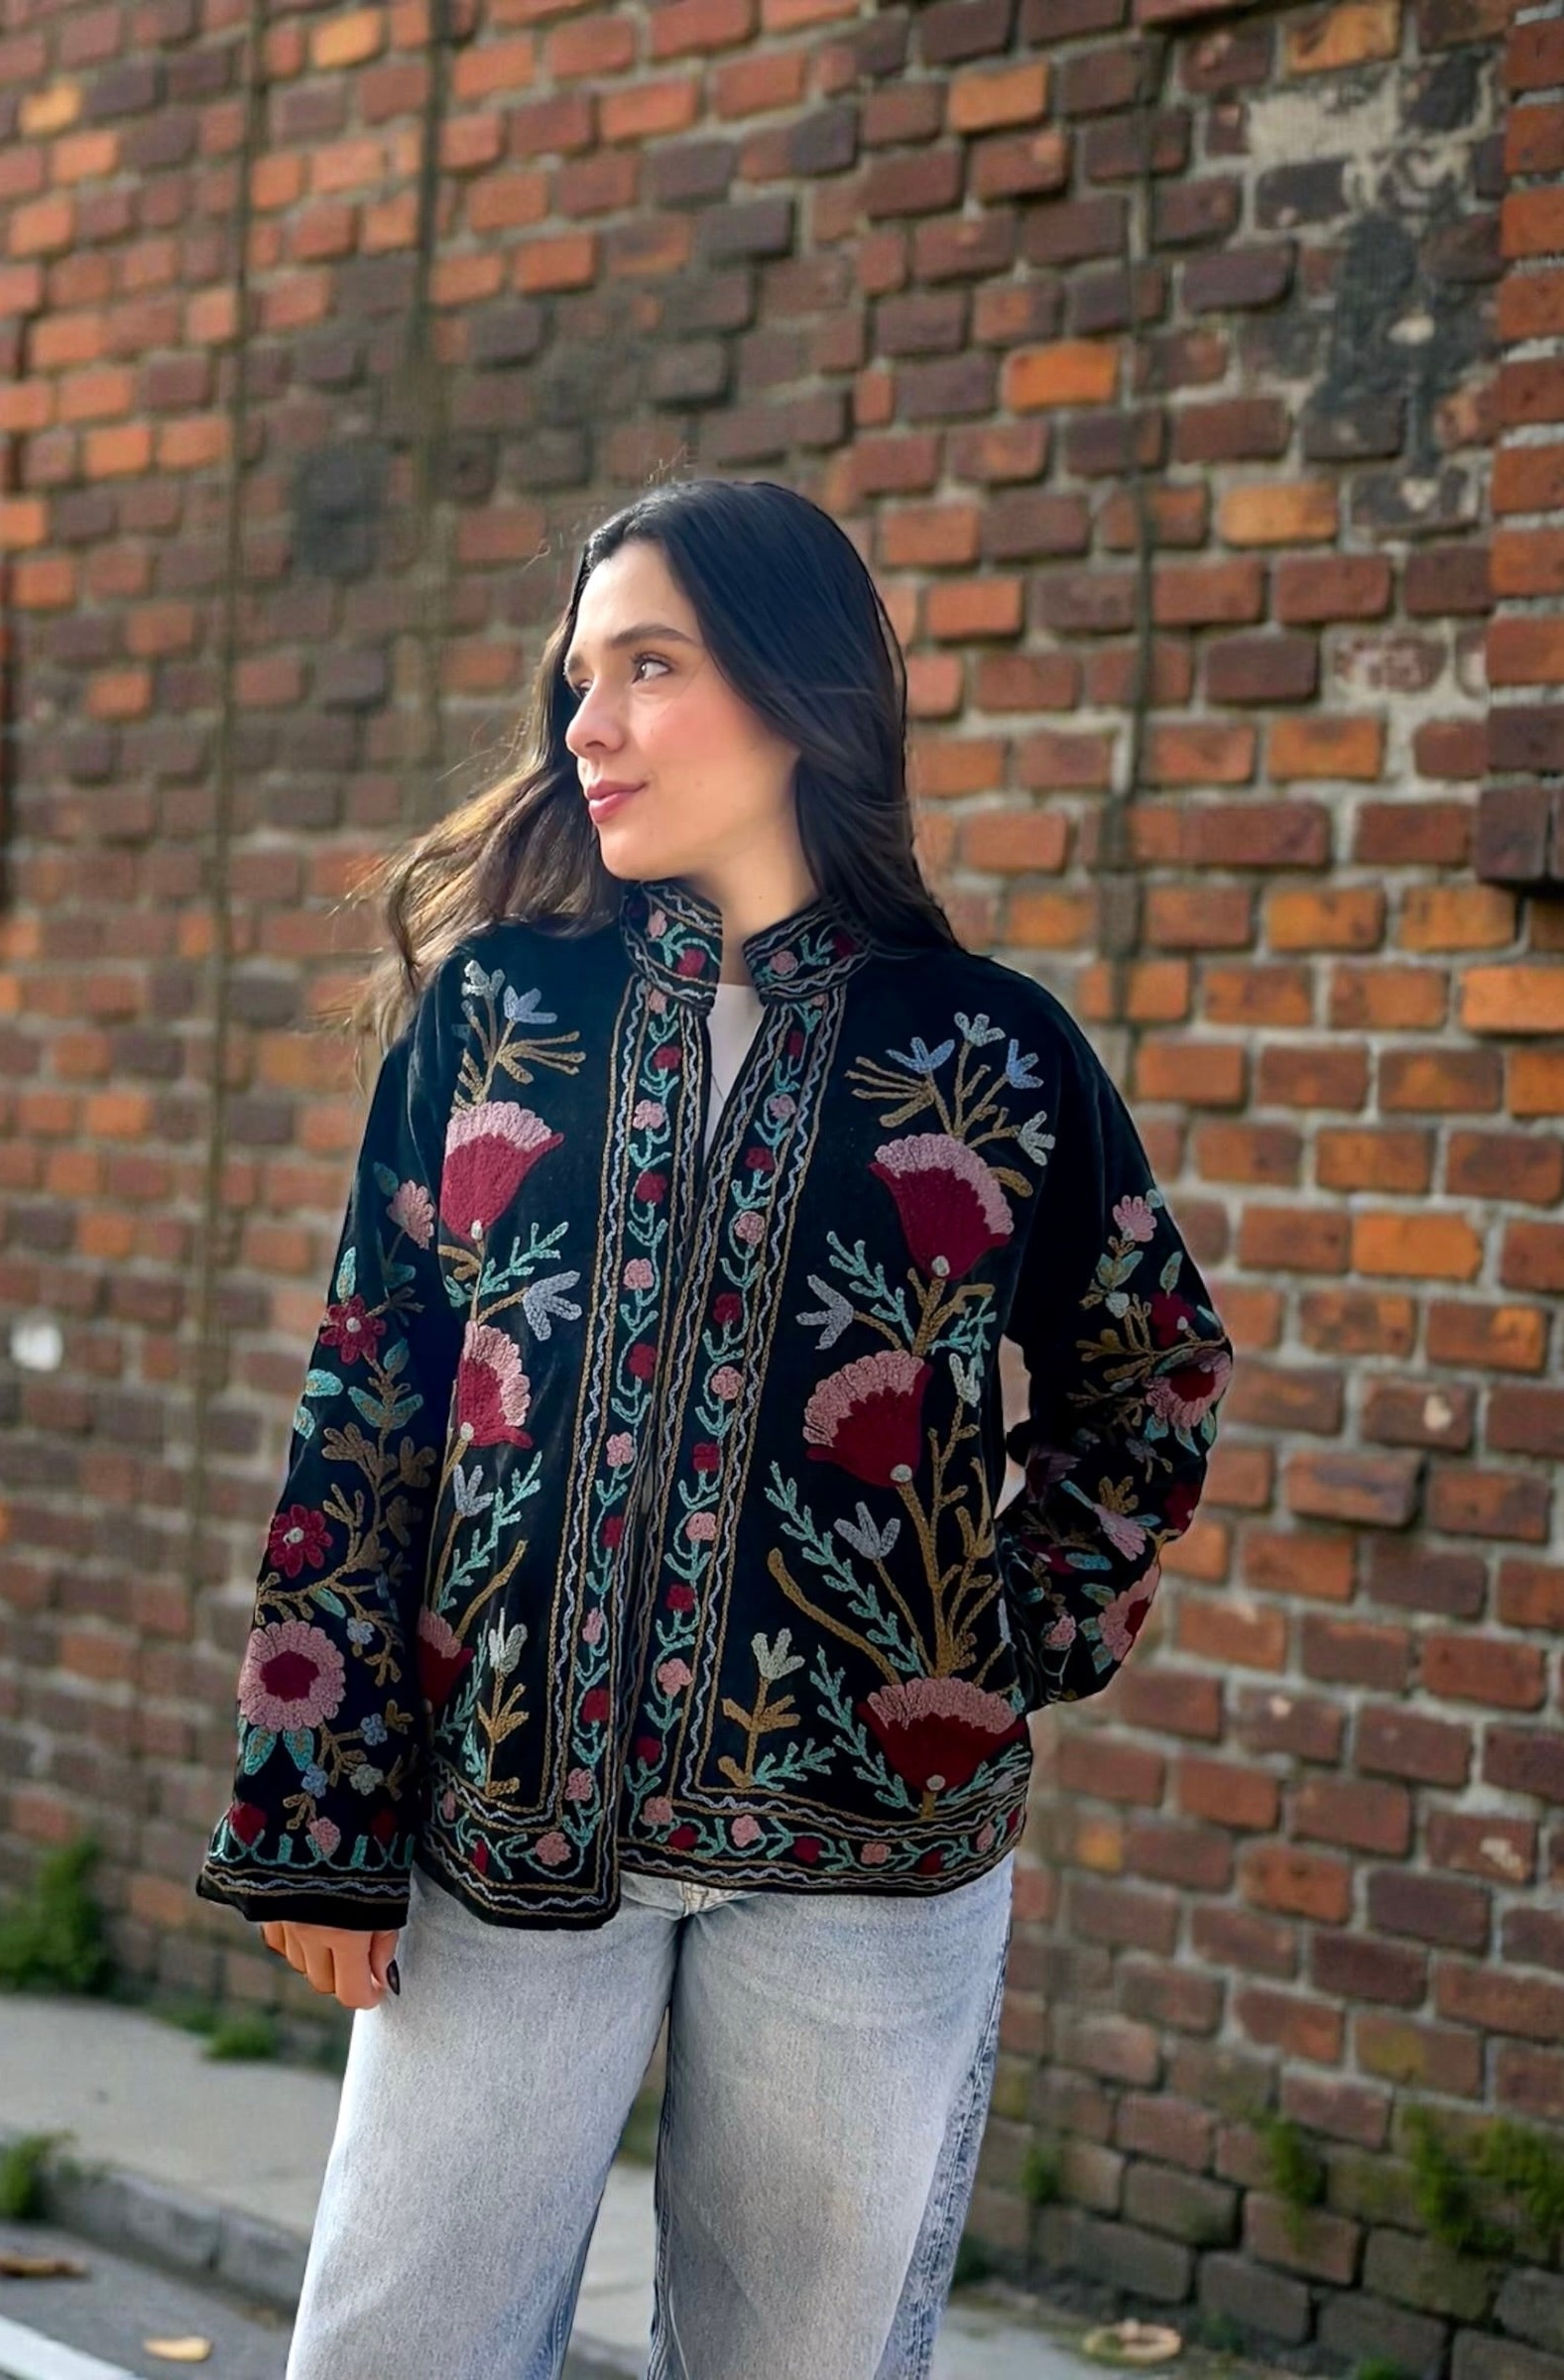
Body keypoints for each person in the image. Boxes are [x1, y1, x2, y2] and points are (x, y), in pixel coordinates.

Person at [193, 477, 1235, 2380]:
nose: (585, 725)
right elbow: (368, 1396)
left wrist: (997, 1641)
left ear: (796, 690)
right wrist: (310, 1809)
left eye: (648, 667)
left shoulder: (989, 1047)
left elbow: (1151, 1366)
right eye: (577, 676)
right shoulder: (504, 1011)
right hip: (500, 1822)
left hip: (872, 1863)